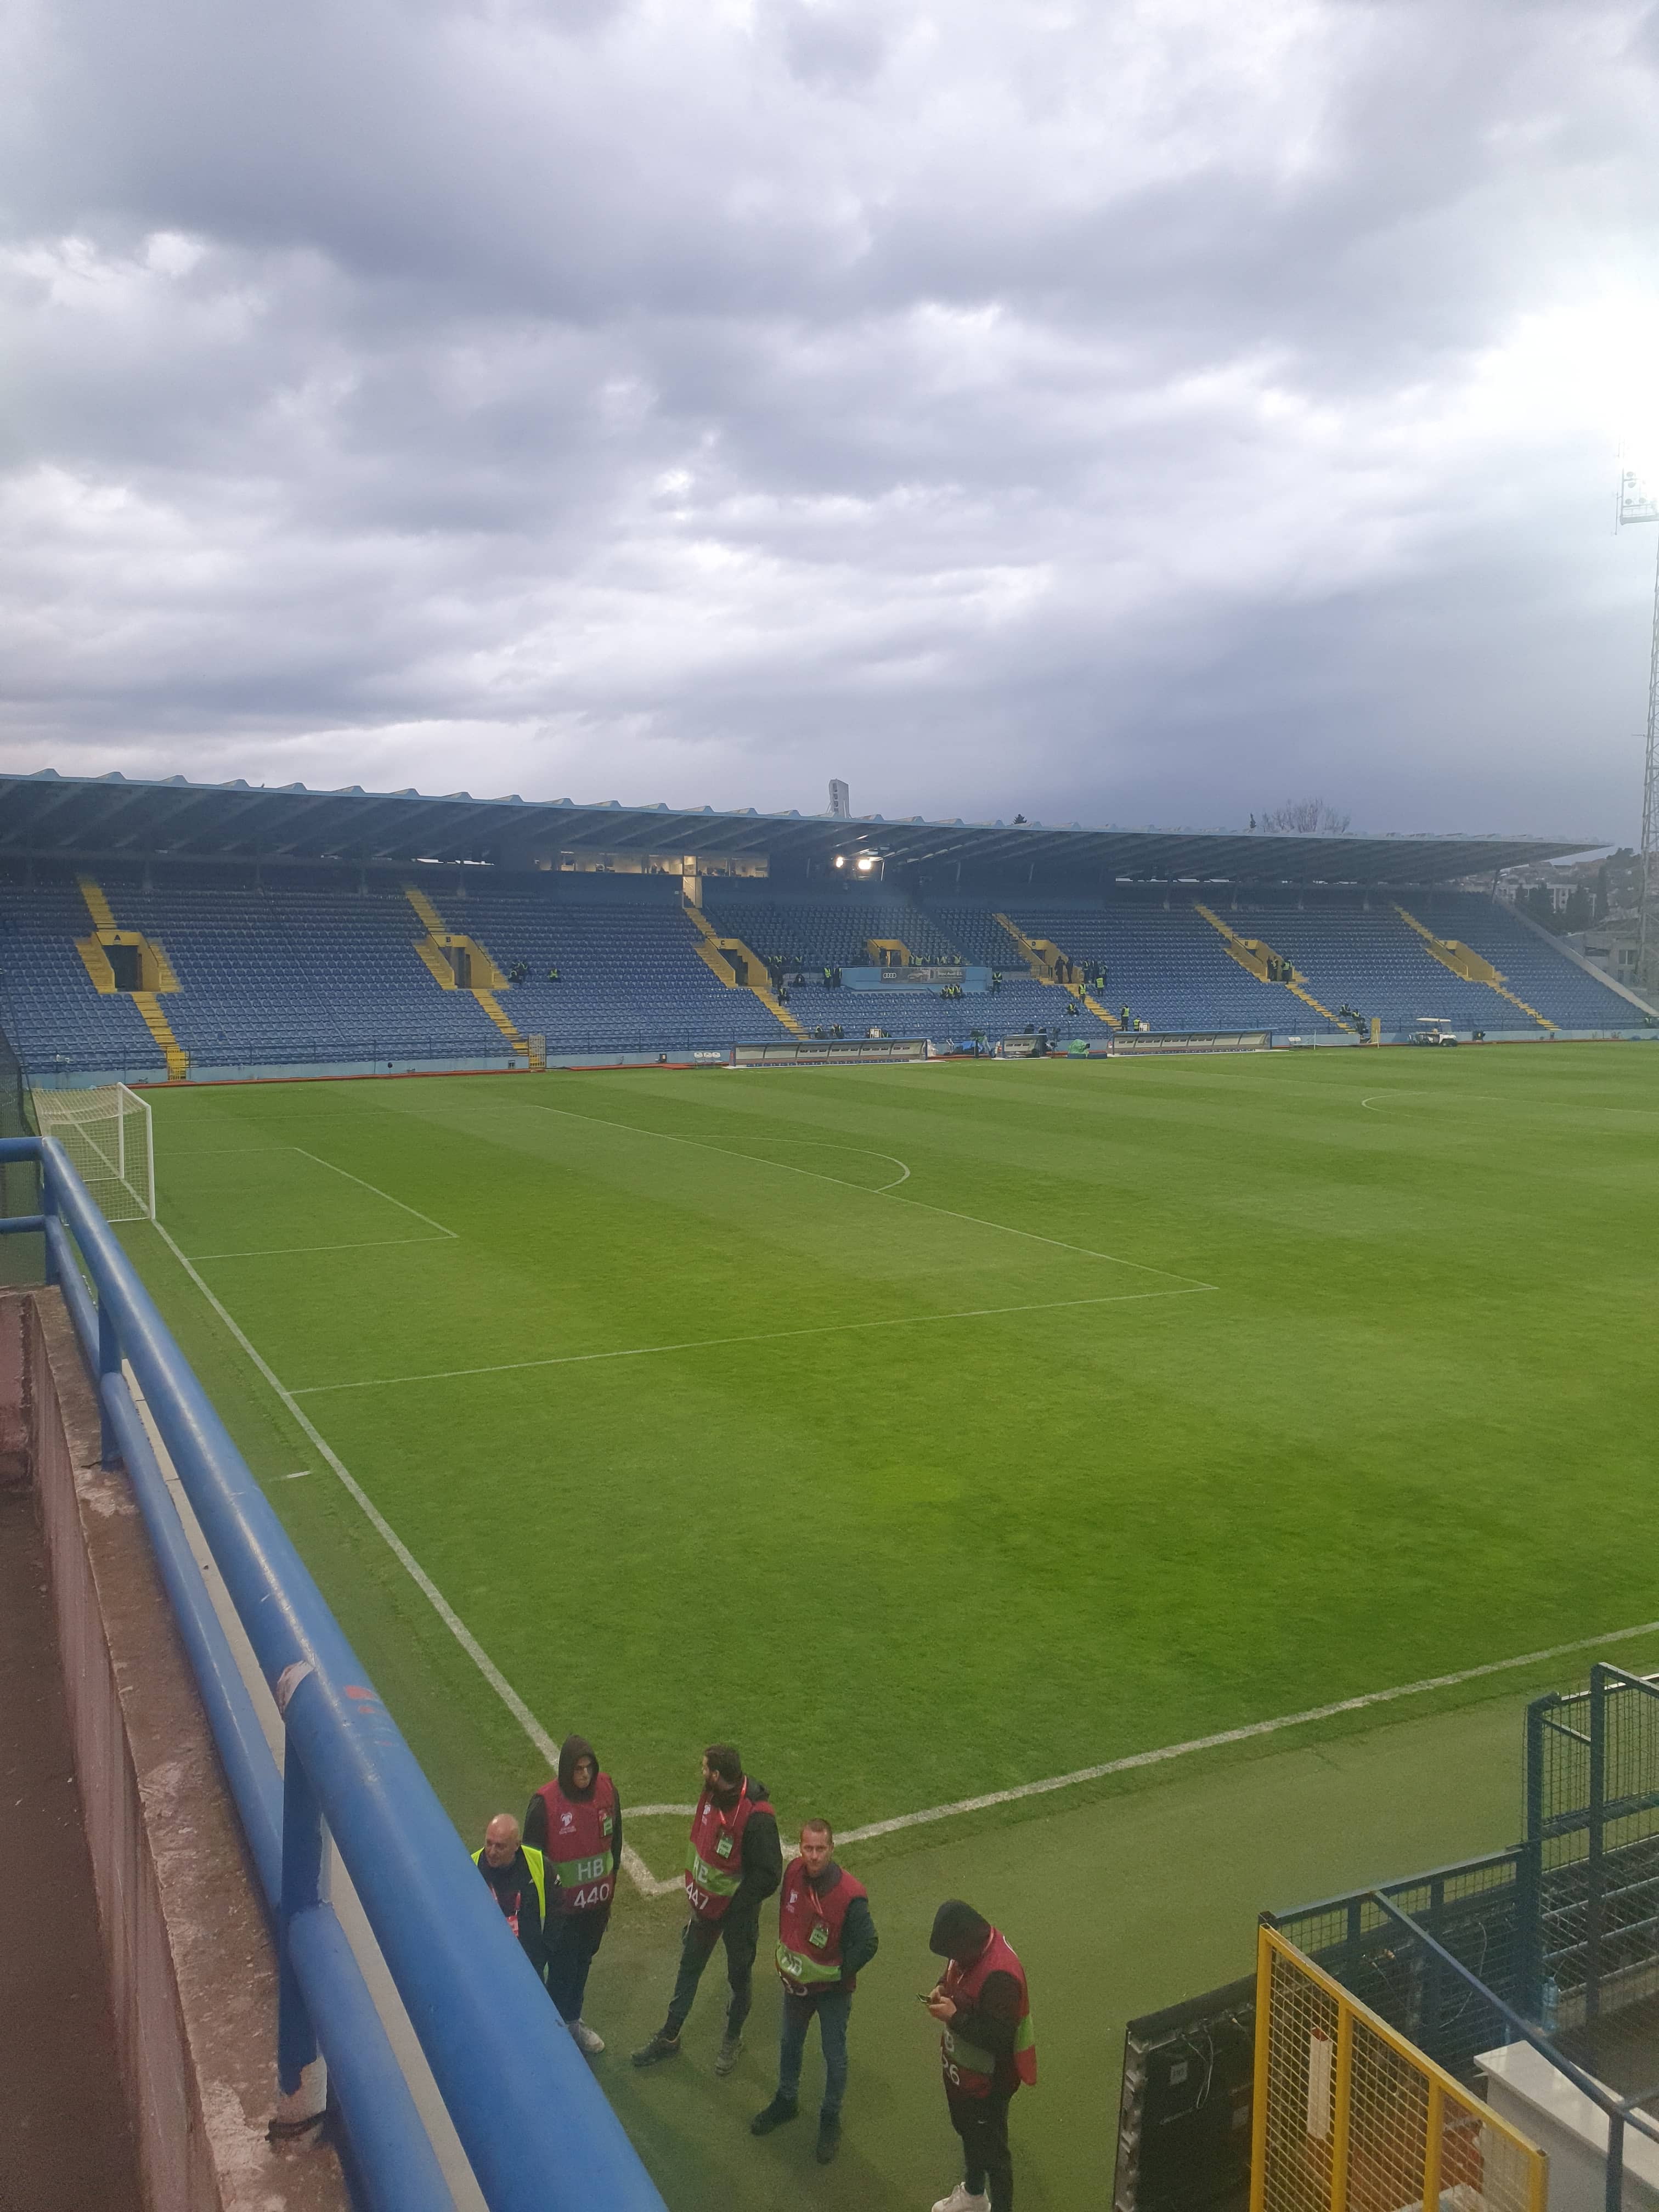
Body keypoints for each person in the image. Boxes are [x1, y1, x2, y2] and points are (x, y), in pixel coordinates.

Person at [633, 1745, 781, 2075]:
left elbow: (770, 1875)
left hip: (737, 1916)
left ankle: (733, 2038)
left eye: (705, 1768)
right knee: (689, 1969)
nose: (701, 1773)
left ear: (716, 1775)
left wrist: (733, 1906)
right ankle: (670, 2035)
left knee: (738, 1977)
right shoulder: (711, 1795)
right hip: (704, 1908)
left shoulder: (757, 1817)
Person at [751, 1819, 879, 2165]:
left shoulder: (851, 1894)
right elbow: (789, 1918)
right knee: (789, 2043)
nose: (814, 1856)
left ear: (832, 1849)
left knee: (834, 2056)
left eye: (821, 1849)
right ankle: (786, 2100)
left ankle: (830, 2117)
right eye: (808, 1848)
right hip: (797, 1986)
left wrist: (837, 1973)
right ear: (800, 1848)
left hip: (833, 1992)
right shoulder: (793, 1872)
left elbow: (869, 1943)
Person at [925, 1899, 1036, 2212]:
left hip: (990, 2084)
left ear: (968, 1943)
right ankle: (974, 2195)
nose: (952, 1959)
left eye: (953, 1953)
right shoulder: (970, 1949)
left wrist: (954, 2017)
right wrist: (941, 1987)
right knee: (970, 2134)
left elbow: (1000, 2039)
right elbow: (955, 1973)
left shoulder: (1001, 1977)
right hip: (965, 2076)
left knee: (995, 2156)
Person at [524, 1734, 620, 2055]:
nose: (585, 1775)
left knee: (582, 1966)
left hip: (595, 1911)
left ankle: (572, 2023)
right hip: (562, 1915)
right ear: (567, 1769)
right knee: (561, 1973)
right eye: (578, 1769)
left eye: (589, 1768)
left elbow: (615, 1846)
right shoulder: (545, 1805)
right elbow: (532, 1865)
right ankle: (552, 2036)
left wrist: (609, 1895)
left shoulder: (608, 1792)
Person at [472, 1814, 549, 1988]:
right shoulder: (470, 1866)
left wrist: (545, 1952)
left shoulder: (538, 1864)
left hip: (530, 1966)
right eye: (489, 1843)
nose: (492, 1852)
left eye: (500, 1846)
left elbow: (557, 1909)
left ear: (516, 1845)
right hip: (489, 1966)